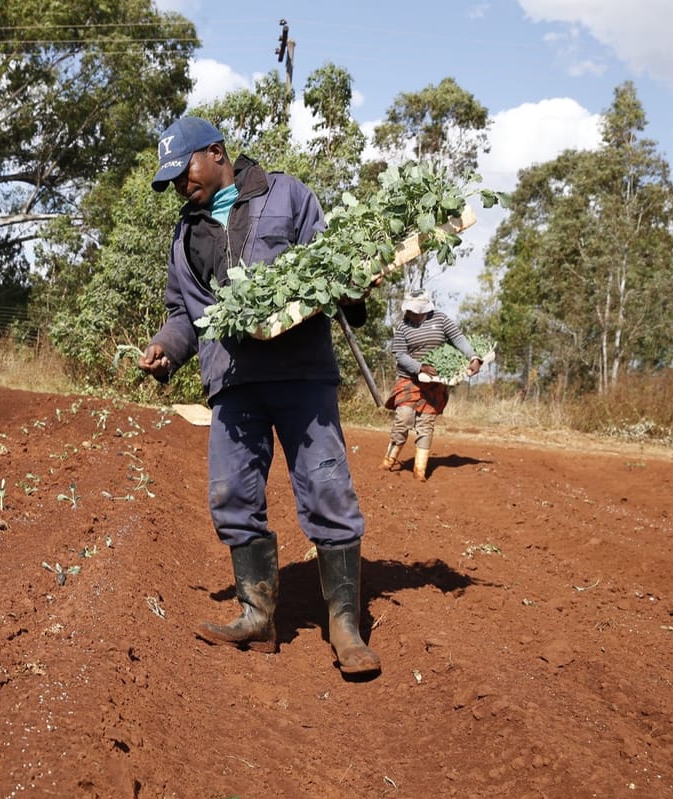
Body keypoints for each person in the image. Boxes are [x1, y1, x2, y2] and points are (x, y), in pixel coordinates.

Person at [137, 116, 380, 676]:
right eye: (172, 178)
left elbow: (331, 268)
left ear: (216, 152)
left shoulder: (286, 195)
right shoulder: (185, 233)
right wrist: (165, 349)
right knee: (231, 494)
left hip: (300, 375)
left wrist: (357, 289)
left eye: (184, 171)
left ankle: (345, 625)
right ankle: (257, 615)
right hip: (233, 381)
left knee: (326, 488)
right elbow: (184, 313)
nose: (180, 185)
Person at [380, 290, 482, 481]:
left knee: (426, 424)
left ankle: (420, 470)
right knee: (404, 417)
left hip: (434, 383)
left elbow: (458, 339)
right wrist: (420, 367)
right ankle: (389, 459)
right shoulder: (402, 326)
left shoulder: (441, 319)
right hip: (409, 379)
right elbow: (400, 355)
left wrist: (474, 357)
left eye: (418, 310)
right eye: (411, 310)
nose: (414, 314)